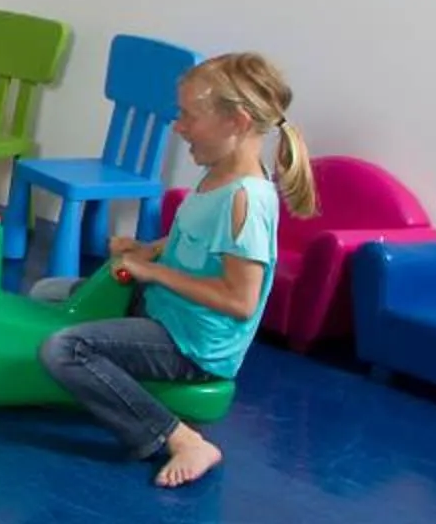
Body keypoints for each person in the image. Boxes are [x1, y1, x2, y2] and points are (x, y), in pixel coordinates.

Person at [31, 52, 317, 488]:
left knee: (64, 348)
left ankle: (179, 439)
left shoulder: (248, 201)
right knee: (49, 294)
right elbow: (193, 241)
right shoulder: (216, 176)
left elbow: (240, 301)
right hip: (163, 309)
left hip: (191, 344)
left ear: (236, 122)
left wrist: (154, 274)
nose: (178, 126)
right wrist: (149, 250)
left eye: (188, 116)